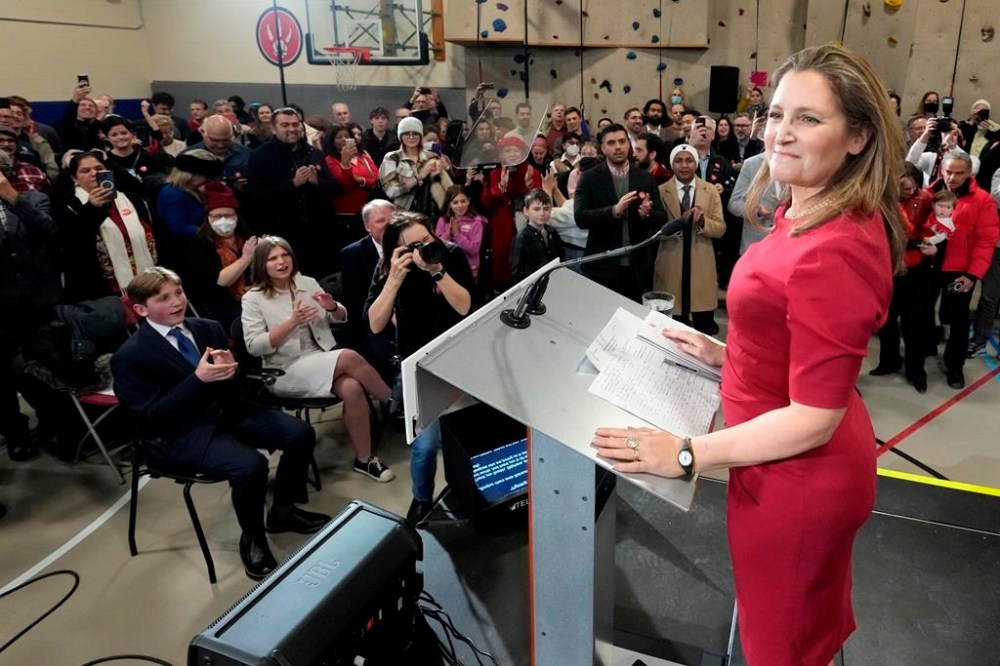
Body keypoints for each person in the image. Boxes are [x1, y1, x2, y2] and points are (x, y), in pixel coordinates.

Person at [592, 44, 909, 666]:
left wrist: (683, 454)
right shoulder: (808, 209)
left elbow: (814, 417)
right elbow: (795, 330)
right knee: (793, 629)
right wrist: (727, 354)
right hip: (778, 460)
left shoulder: (833, 246)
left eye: (809, 119)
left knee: (780, 647)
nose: (781, 134)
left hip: (798, 477)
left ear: (858, 137)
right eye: (776, 114)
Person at [112, 267, 330, 580]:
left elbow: (235, 384)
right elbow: (149, 420)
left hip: (228, 412)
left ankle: (283, 510)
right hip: (182, 433)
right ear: (141, 309)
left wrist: (233, 372)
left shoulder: (207, 328)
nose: (177, 302)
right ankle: (253, 537)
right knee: (250, 465)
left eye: (179, 292)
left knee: (300, 433)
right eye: (164, 298)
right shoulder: (130, 356)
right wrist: (197, 380)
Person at [241, 236, 395, 482]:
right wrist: (291, 323)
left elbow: (341, 317)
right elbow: (254, 347)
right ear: (261, 264)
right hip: (284, 369)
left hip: (320, 358)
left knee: (352, 387)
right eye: (273, 258)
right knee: (348, 355)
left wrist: (332, 306)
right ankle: (396, 402)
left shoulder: (307, 283)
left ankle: (364, 460)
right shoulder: (253, 298)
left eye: (285, 255)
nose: (281, 262)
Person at [364, 212, 475, 525]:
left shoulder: (449, 254)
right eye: (415, 245)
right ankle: (422, 497)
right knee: (424, 446)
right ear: (398, 250)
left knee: (465, 440)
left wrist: (437, 272)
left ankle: (469, 493)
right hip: (419, 366)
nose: (425, 247)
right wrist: (394, 279)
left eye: (428, 239)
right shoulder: (390, 268)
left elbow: (466, 305)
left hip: (459, 358)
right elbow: (375, 324)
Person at [924, 152, 999, 388]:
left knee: (957, 317)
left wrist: (972, 275)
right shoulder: (928, 196)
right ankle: (924, 350)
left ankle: (955, 366)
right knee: (922, 309)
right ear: (941, 170)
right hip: (929, 268)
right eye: (948, 171)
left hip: (958, 273)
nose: (952, 177)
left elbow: (985, 241)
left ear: (969, 173)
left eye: (959, 173)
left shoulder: (982, 200)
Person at [573, 123, 667, 301]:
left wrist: (646, 214)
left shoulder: (645, 177)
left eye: (622, 141)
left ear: (628, 145)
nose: (618, 147)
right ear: (602, 148)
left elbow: (661, 219)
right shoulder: (589, 178)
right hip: (602, 266)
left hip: (637, 266)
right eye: (611, 143)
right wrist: (614, 211)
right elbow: (581, 217)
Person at [55, 151, 157, 304]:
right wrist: (92, 208)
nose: (94, 173)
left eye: (99, 168)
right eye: (85, 170)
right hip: (100, 289)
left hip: (146, 280)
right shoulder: (66, 206)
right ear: (74, 178)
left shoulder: (132, 199)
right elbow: (72, 245)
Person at [247, 108, 338, 277]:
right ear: (274, 129)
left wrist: (316, 182)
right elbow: (257, 197)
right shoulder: (260, 156)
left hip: (319, 236)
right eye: (285, 125)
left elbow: (333, 188)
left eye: (296, 124)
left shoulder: (314, 153)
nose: (292, 129)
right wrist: (293, 184)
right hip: (284, 237)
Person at [870, 165, 937, 392]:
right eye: (904, 187)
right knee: (887, 321)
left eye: (913, 186)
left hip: (917, 269)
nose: (910, 191)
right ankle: (888, 361)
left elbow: (942, 229)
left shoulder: (927, 200)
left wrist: (932, 245)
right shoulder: (882, 203)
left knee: (913, 324)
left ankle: (915, 370)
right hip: (889, 268)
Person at [653, 144, 726, 333]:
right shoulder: (660, 191)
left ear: (696, 163)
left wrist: (702, 222)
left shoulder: (710, 191)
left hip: (702, 265)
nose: (684, 165)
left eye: (689, 160)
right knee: (671, 329)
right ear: (671, 164)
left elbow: (720, 228)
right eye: (678, 160)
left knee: (703, 328)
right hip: (670, 263)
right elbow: (654, 229)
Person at [178, 181, 257, 330]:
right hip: (220, 305)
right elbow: (219, 282)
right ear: (208, 218)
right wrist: (246, 258)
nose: (223, 221)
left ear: (236, 216)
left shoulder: (246, 237)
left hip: (253, 294)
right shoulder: (199, 245)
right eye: (216, 216)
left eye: (228, 215)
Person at [341, 200, 396, 380]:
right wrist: (387, 315)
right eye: (381, 221)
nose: (388, 225)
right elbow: (355, 301)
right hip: (373, 322)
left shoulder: (409, 245)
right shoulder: (353, 254)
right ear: (367, 227)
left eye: (392, 219)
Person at [155, 149, 224, 262]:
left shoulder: (194, 190)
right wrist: (212, 232)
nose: (207, 179)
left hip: (200, 248)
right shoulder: (172, 194)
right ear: (189, 174)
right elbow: (179, 229)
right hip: (184, 254)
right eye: (204, 175)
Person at [324, 122, 379, 248]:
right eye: (338, 137)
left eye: (346, 136)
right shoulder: (329, 160)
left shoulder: (363, 155)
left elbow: (376, 178)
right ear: (331, 141)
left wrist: (362, 181)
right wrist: (345, 163)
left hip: (368, 211)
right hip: (346, 217)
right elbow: (344, 185)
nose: (343, 139)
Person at [435, 184, 486, 281]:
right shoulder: (442, 220)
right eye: (455, 202)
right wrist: (448, 234)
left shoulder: (476, 222)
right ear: (449, 204)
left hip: (470, 271)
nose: (460, 205)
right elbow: (437, 247)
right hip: (448, 271)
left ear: (469, 201)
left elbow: (474, 249)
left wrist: (457, 235)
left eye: (463, 201)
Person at [511, 188, 562, 281]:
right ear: (526, 211)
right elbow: (517, 271)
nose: (542, 213)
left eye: (546, 208)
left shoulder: (552, 232)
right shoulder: (522, 237)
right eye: (537, 209)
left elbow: (560, 257)